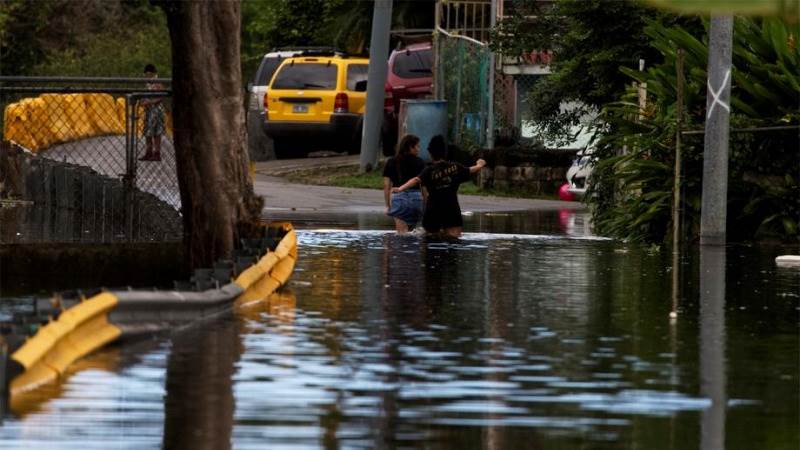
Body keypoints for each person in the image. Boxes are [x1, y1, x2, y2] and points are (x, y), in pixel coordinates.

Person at [392, 135, 485, 238]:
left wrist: (400, 188)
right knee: (453, 239)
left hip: (433, 211)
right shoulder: (455, 167)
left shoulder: (428, 170)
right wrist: (480, 164)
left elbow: (416, 180)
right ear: (445, 153)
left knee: (430, 241)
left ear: (431, 154)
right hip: (451, 210)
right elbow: (471, 169)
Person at [383, 134, 426, 233]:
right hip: (416, 198)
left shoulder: (391, 162)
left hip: (399, 199)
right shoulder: (420, 162)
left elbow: (386, 186)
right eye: (418, 146)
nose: (419, 149)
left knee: (402, 235)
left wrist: (388, 206)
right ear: (411, 147)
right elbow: (424, 188)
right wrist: (425, 205)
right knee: (413, 235)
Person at [139, 63, 166, 161]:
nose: (147, 76)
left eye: (149, 74)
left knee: (156, 132)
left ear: (153, 73)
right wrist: (142, 101)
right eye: (146, 75)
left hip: (156, 110)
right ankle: (148, 152)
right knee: (148, 132)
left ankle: (157, 153)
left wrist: (150, 101)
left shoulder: (157, 83)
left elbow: (162, 96)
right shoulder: (148, 84)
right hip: (149, 110)